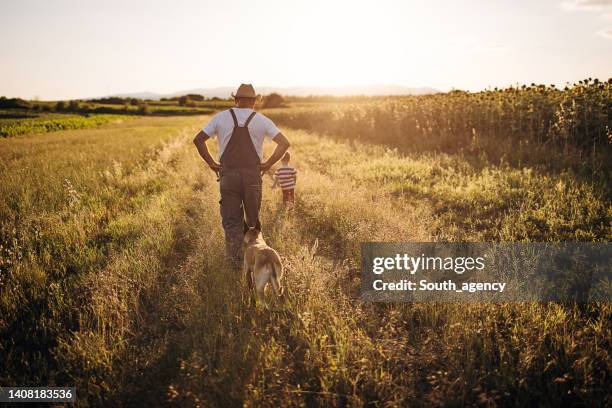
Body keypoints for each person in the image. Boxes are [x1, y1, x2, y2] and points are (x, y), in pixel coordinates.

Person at [193, 84, 290, 268]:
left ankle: (234, 265)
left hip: (228, 175)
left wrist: (213, 164)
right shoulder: (262, 120)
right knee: (252, 224)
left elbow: (198, 140)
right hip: (252, 176)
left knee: (231, 223)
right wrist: (267, 164)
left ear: (236, 100)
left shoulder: (221, 118)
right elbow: (284, 143)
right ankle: (254, 263)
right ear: (254, 102)